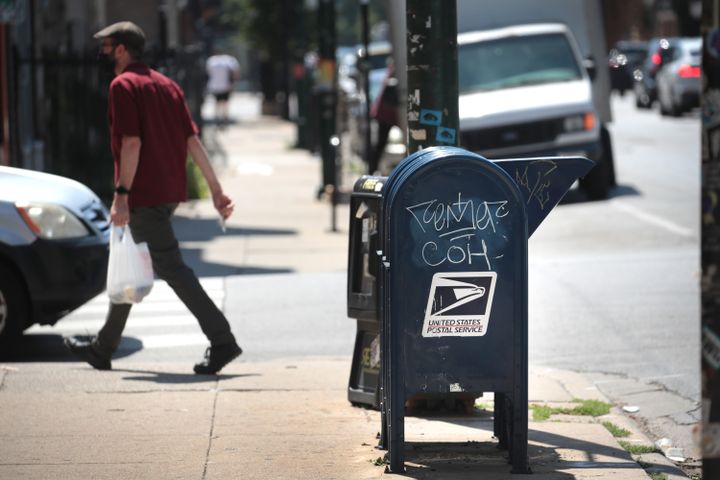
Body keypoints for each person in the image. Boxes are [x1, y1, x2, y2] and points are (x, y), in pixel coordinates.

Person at [64, 21, 242, 375]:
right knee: (133, 265)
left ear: (121, 49)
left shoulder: (123, 85)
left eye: (106, 46)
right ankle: (104, 347)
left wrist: (122, 195)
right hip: (167, 194)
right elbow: (193, 141)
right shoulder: (168, 86)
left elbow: (132, 142)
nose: (100, 52)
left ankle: (223, 341)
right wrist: (216, 191)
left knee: (171, 268)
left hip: (143, 195)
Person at [205, 51, 240, 124]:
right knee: (225, 103)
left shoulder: (211, 61)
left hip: (214, 85)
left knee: (217, 102)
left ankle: (217, 118)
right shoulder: (229, 60)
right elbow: (235, 72)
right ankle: (224, 119)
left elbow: (208, 72)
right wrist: (234, 83)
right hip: (226, 85)